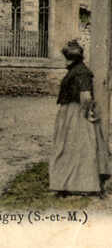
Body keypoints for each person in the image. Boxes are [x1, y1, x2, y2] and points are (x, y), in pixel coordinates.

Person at [50, 40, 110, 196]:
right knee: (72, 147)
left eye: (67, 58)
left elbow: (85, 95)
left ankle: (82, 184)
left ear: (72, 58)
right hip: (72, 112)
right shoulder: (76, 70)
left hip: (76, 113)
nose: (65, 61)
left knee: (78, 147)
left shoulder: (81, 72)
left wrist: (87, 112)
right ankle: (70, 183)